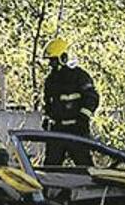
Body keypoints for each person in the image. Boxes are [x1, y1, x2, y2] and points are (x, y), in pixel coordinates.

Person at [41, 37, 99, 166]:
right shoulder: (50, 80)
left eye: (54, 60)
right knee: (50, 167)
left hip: (76, 130)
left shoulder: (80, 76)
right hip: (57, 131)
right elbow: (48, 103)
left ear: (64, 58)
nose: (51, 64)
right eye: (50, 61)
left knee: (84, 167)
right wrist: (47, 118)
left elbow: (92, 98)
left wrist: (83, 118)